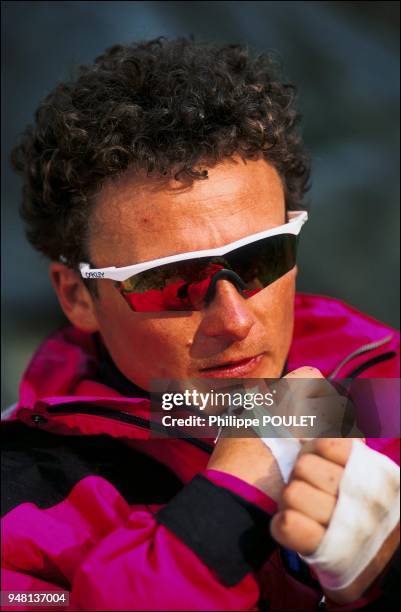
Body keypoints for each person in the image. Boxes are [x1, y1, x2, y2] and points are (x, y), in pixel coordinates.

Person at [2, 36, 399, 611]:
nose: (235, 320)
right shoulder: (17, 497)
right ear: (77, 296)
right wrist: (226, 509)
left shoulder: (381, 374)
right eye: (172, 283)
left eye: (262, 258)